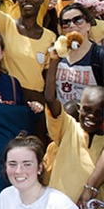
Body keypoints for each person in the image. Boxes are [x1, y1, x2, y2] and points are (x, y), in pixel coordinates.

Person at [43, 48, 104, 204]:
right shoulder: (68, 128)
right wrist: (54, 61)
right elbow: (50, 98)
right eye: (87, 110)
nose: (92, 116)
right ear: (79, 108)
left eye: (99, 112)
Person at [0, 132, 77, 209]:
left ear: (39, 168)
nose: (18, 171)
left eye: (27, 164)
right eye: (13, 164)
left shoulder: (60, 204)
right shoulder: (6, 196)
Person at [53, 3, 104, 105]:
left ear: (88, 25)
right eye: (66, 22)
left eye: (78, 20)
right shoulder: (57, 54)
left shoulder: (99, 55)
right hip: (62, 119)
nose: (71, 25)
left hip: (90, 118)